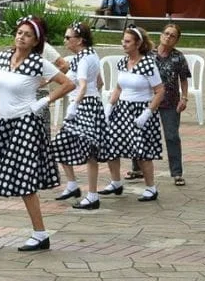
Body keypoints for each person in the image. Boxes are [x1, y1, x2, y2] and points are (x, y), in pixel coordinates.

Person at [0, 16, 75, 250]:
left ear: (35, 41)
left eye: (27, 35)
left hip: (25, 125)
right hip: (3, 124)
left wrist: (45, 101)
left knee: (24, 180)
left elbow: (68, 83)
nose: (21, 37)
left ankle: (40, 234)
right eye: (20, 32)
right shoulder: (3, 57)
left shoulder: (38, 63)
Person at [98, 26, 166, 203]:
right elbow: (119, 87)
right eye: (123, 40)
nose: (124, 44)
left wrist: (147, 113)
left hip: (140, 110)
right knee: (111, 145)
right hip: (122, 110)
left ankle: (151, 188)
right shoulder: (122, 62)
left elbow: (160, 91)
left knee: (142, 151)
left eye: (128, 41)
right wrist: (109, 106)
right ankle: (115, 182)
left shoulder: (148, 64)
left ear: (138, 44)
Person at [50, 21, 106, 206]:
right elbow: (99, 82)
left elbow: (83, 86)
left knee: (89, 152)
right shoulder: (90, 55)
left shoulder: (83, 59)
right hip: (90, 104)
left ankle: (92, 195)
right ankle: (73, 185)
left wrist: (75, 105)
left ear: (80, 40)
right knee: (60, 144)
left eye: (68, 37)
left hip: (84, 106)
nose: (65, 40)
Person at [154, 23, 191, 186]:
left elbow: (183, 79)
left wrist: (184, 98)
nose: (168, 37)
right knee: (142, 133)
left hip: (170, 102)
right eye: (166, 33)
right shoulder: (148, 54)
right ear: (161, 35)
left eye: (172, 36)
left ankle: (177, 173)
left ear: (176, 40)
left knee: (172, 136)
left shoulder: (178, 57)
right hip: (148, 101)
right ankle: (137, 168)